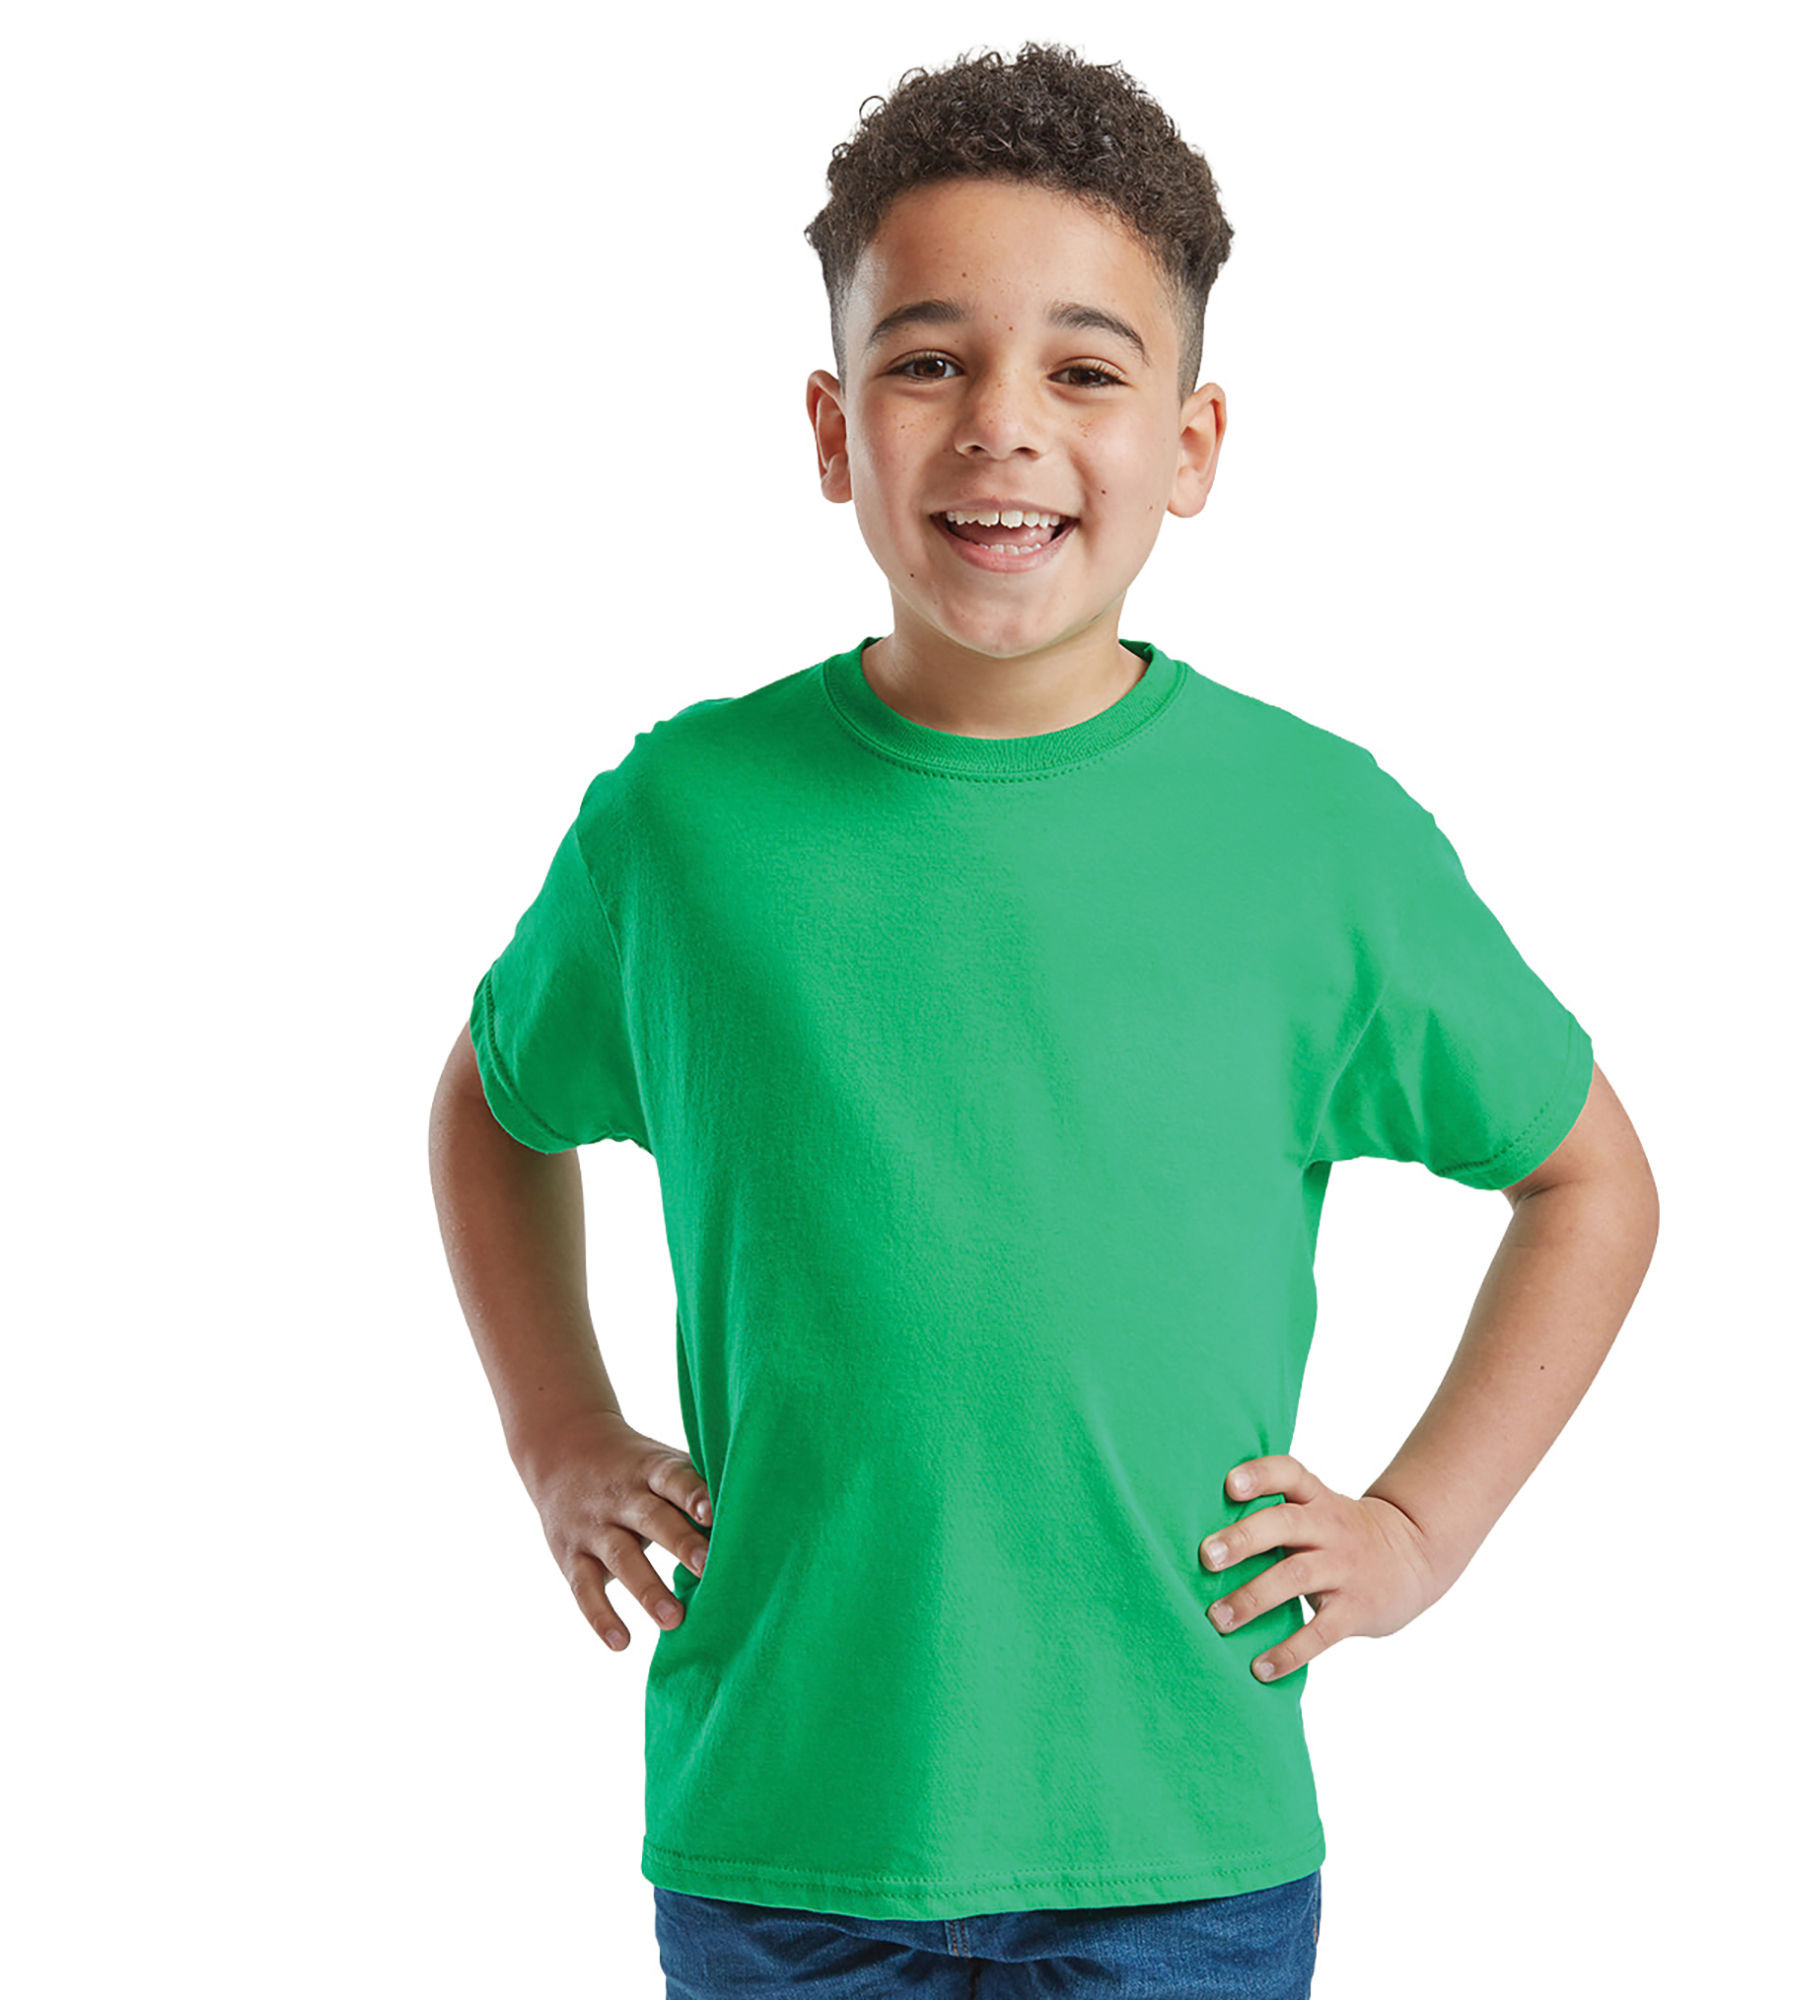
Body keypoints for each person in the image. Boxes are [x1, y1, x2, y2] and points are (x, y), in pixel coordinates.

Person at [428, 41, 1659, 2000]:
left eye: (1086, 371)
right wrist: (558, 1428)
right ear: (834, 427)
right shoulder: (682, 826)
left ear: (1192, 442)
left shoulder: (1313, 834)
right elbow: (497, 1106)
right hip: (784, 1823)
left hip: (1177, 1840)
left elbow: (1588, 1177)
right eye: (929, 361)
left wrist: (1416, 1530)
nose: (1002, 425)